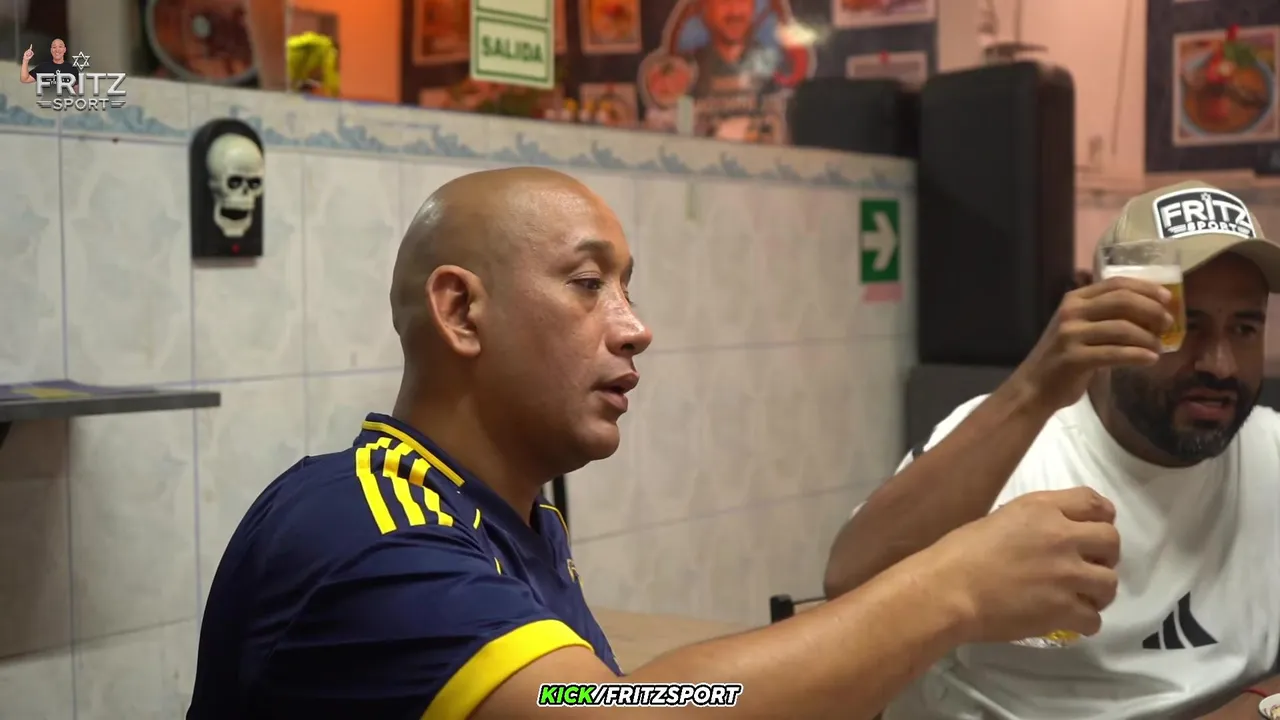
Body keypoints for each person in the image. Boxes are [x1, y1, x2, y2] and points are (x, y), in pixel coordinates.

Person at [188, 167, 1121, 720]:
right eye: (588, 284)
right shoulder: (365, 529)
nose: (636, 328)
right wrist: (954, 588)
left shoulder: (516, 519)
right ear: (461, 311)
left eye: (628, 289)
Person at [824, 180, 1280, 720]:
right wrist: (1032, 387)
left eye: (1244, 328)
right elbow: (846, 593)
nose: (1219, 365)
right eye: (1185, 325)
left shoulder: (1270, 451)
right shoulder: (1012, 447)